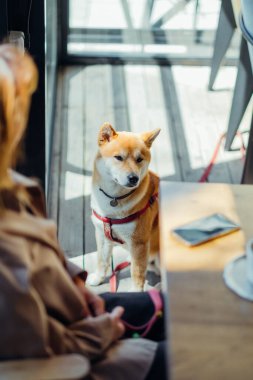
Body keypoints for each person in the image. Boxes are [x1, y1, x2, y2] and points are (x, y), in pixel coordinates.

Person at [0, 44, 168, 380]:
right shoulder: (6, 251)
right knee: (197, 351)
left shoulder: (13, 185)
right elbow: (38, 345)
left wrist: (77, 285)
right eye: (19, 109)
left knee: (178, 310)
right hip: (77, 357)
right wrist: (104, 328)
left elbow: (45, 256)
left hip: (76, 312)